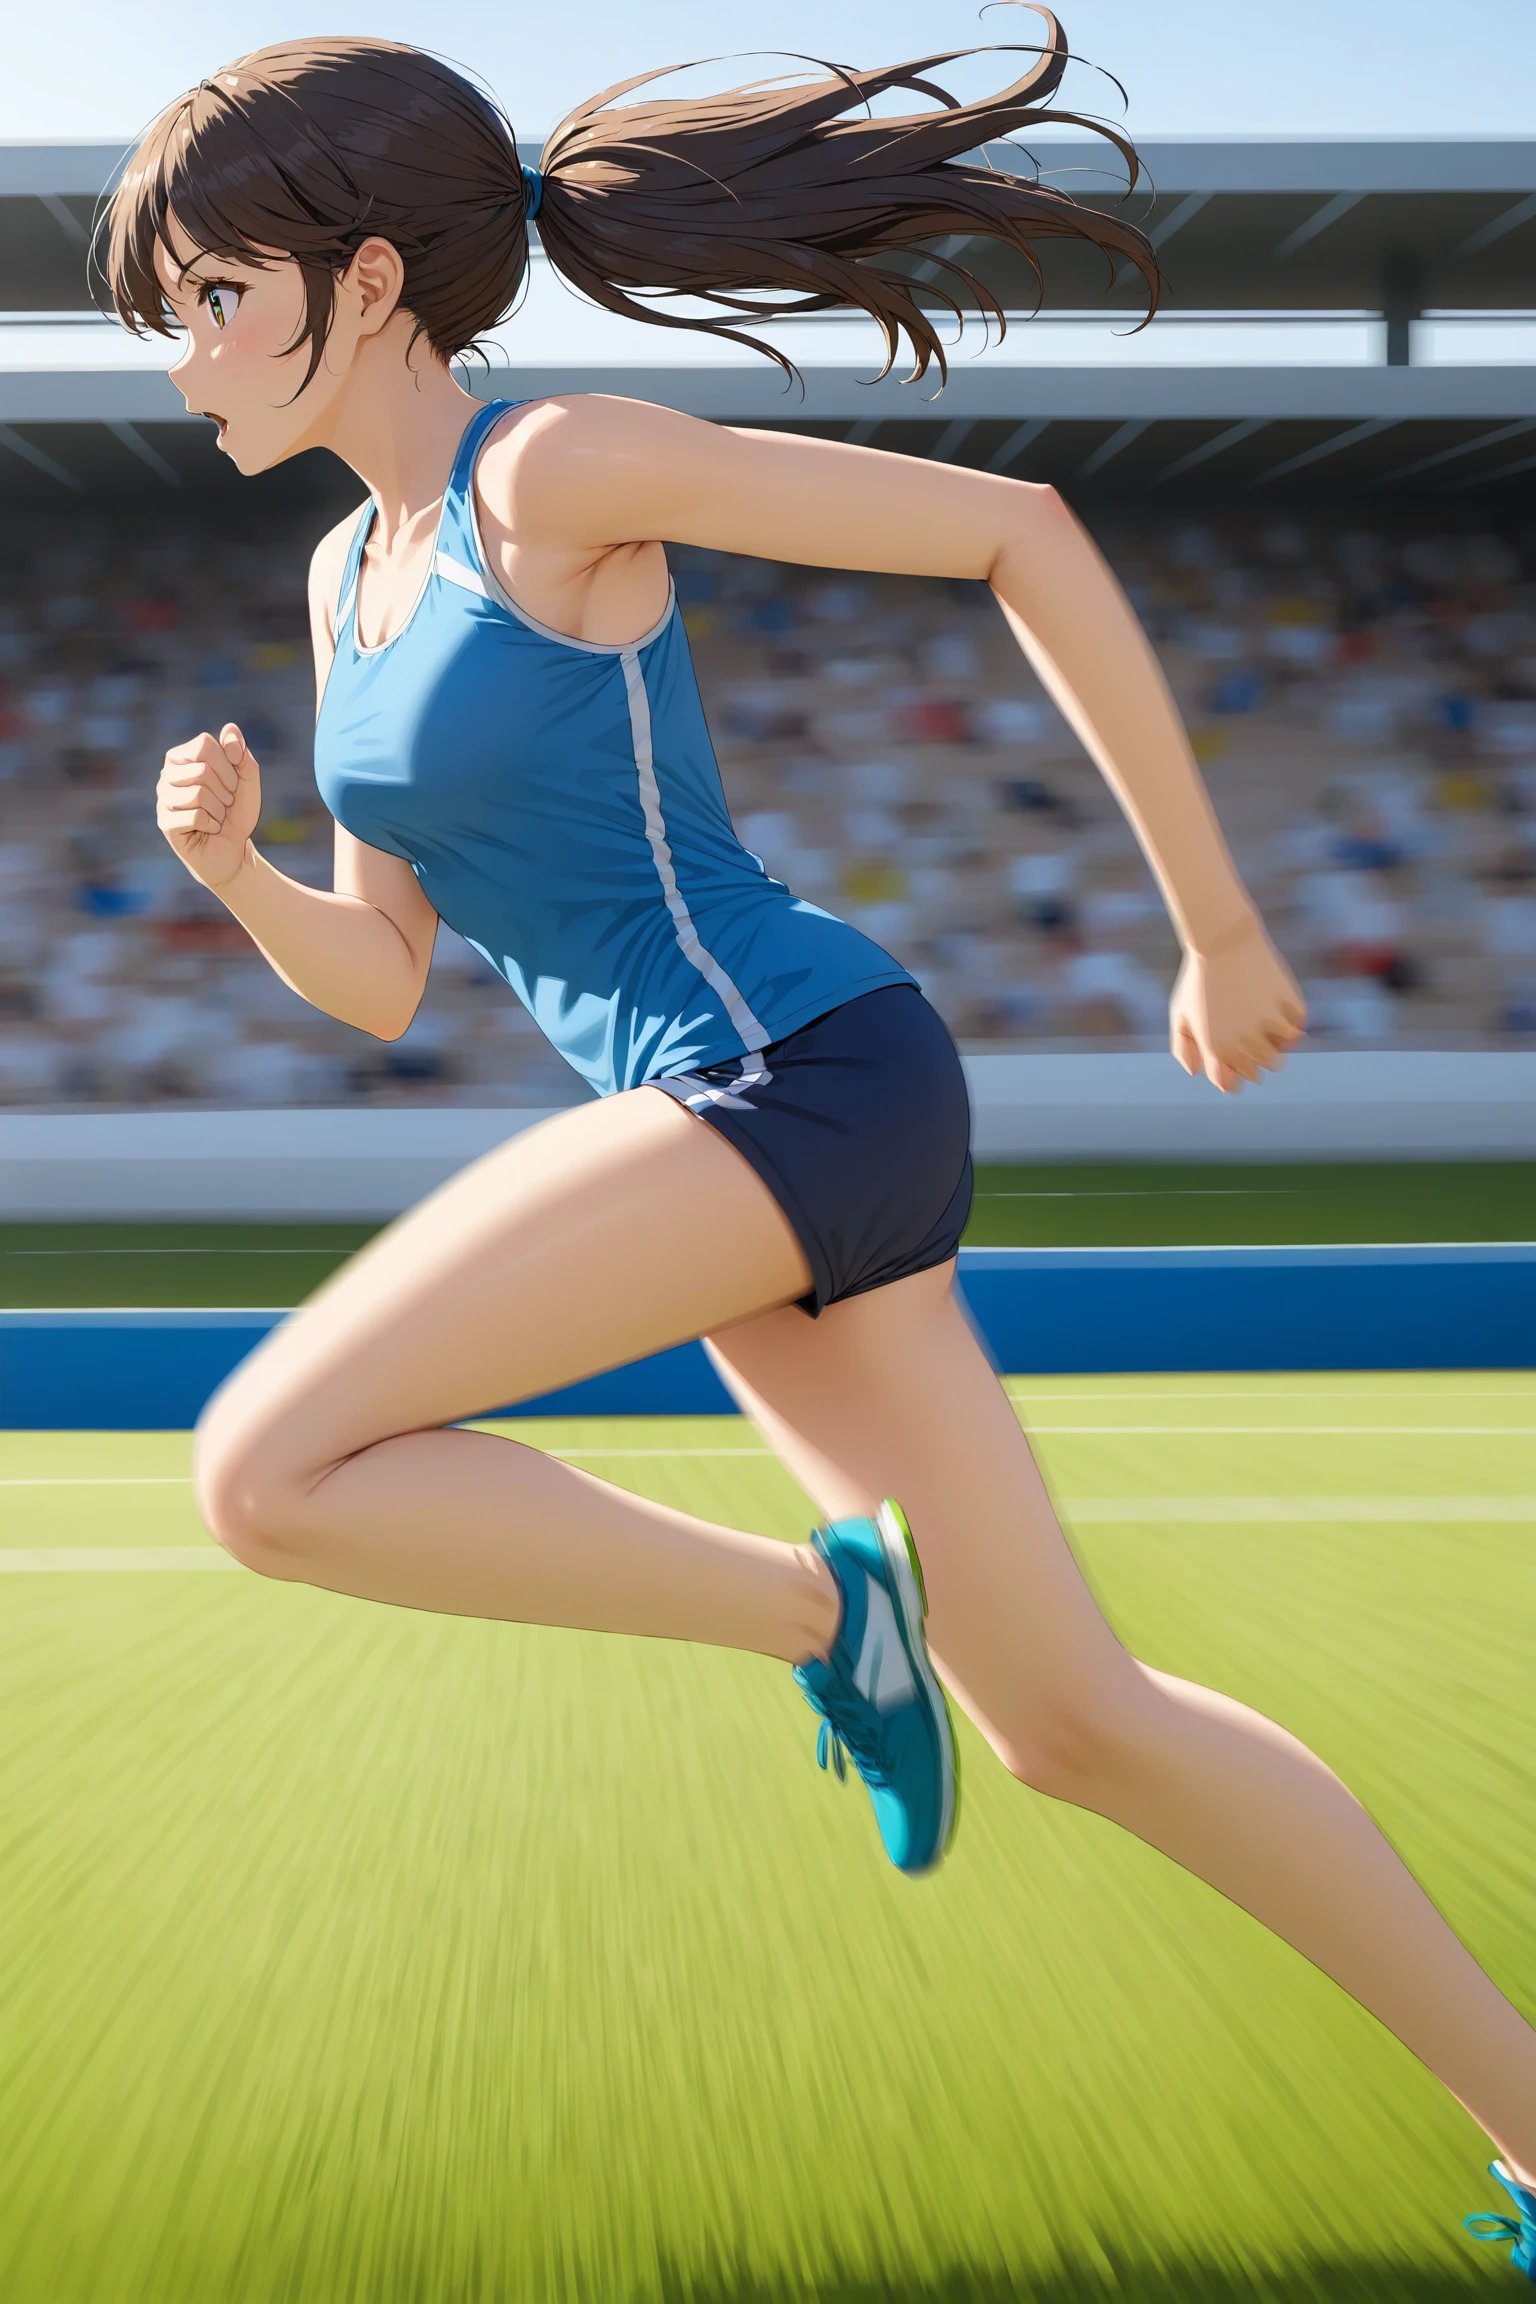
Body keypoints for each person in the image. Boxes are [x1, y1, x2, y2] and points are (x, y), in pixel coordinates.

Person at [101, 19, 1535, 2273]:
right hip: (732, 1135)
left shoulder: (548, 469)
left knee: (268, 1470)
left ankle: (815, 1618)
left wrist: (1223, 919)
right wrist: (239, 880)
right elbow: (386, 980)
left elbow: (1016, 532)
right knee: (1071, 1720)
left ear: (363, 277)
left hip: (791, 1075)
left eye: (206, 297)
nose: (177, 357)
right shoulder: (344, 585)